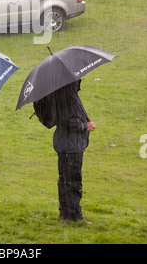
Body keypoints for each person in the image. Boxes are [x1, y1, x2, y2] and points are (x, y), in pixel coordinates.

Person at [33, 80, 96, 223]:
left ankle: (65, 213)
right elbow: (66, 120)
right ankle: (74, 216)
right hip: (71, 145)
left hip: (65, 144)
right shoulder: (66, 94)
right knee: (73, 181)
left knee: (65, 180)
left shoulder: (61, 92)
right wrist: (84, 125)